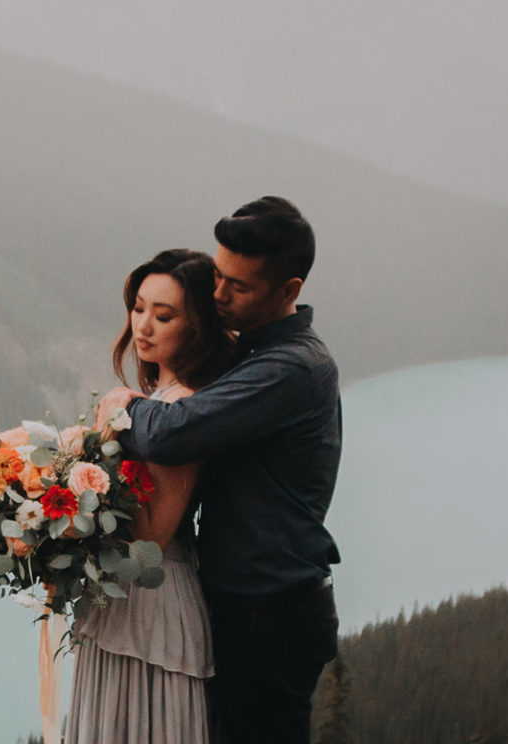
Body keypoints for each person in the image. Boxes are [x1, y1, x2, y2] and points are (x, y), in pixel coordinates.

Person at [96, 196, 343, 744]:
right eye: (218, 276)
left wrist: (119, 405)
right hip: (254, 605)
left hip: (271, 613)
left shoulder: (289, 367)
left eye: (239, 285)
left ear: (290, 291)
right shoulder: (253, 356)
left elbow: (171, 432)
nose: (218, 293)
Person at [65, 248, 238, 744]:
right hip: (126, 604)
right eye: (139, 308)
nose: (143, 325)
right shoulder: (155, 401)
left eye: (164, 316)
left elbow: (152, 536)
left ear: (197, 327)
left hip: (153, 605)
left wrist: (90, 470)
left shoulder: (181, 409)